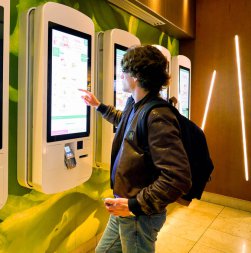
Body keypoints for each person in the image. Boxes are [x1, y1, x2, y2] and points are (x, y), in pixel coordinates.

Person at [80, 45, 191, 253]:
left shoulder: (158, 116)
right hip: (125, 208)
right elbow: (127, 124)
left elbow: (178, 177)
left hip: (139, 215)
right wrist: (99, 106)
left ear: (136, 77)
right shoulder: (136, 104)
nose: (120, 75)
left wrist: (134, 206)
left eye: (124, 71)